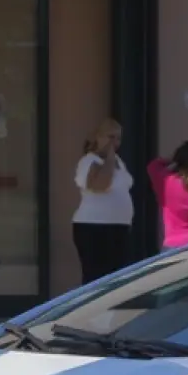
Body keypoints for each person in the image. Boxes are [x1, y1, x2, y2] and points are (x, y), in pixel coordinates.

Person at [72, 117, 134, 283]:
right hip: (95, 227)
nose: (115, 142)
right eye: (110, 136)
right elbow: (100, 185)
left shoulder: (118, 162)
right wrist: (110, 157)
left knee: (117, 278)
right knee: (96, 277)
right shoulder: (89, 161)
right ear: (98, 137)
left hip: (118, 227)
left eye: (118, 138)